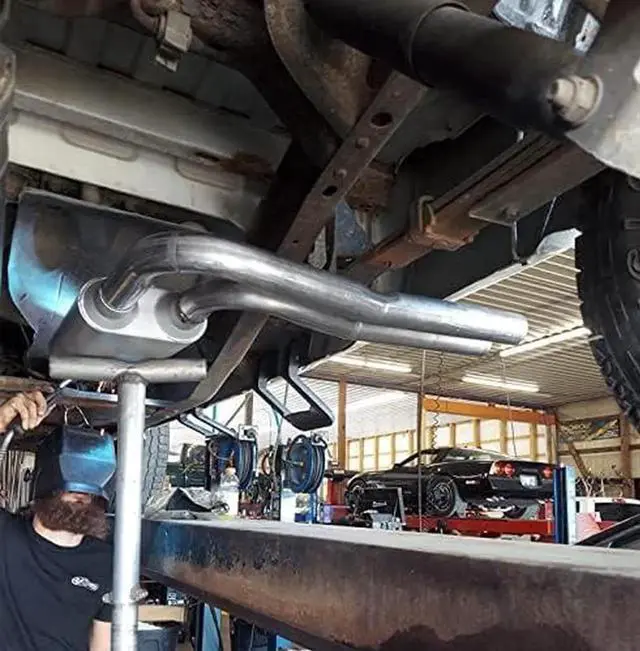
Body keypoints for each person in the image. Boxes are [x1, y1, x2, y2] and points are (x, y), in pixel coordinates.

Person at [0, 391, 115, 651]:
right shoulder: (4, 535)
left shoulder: (106, 561)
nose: (81, 496)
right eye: (73, 489)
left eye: (87, 493)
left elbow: (101, 642)